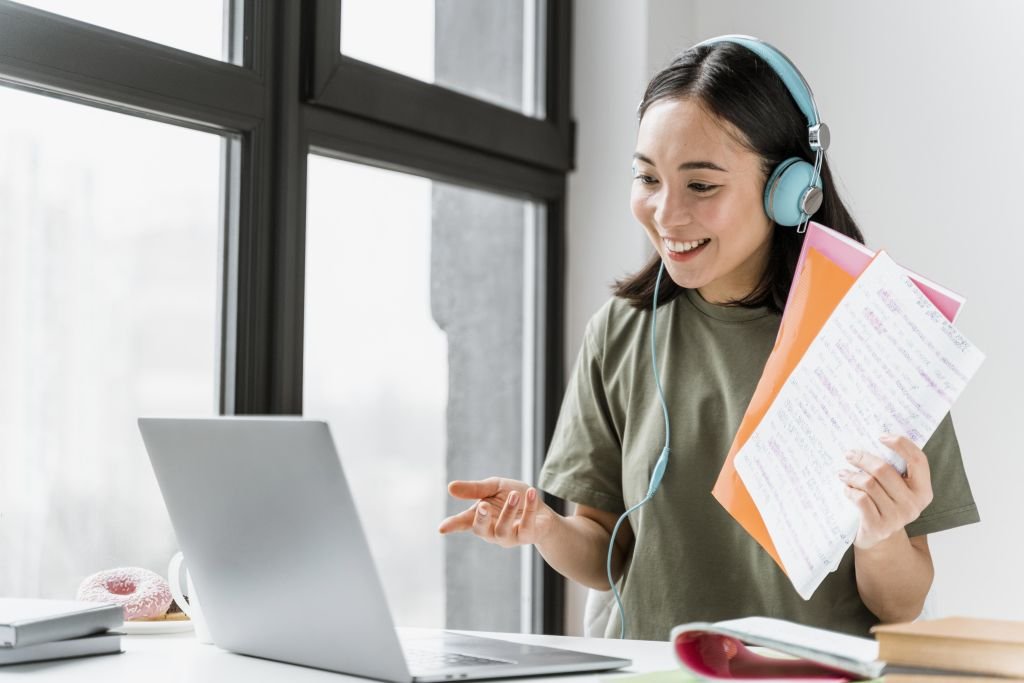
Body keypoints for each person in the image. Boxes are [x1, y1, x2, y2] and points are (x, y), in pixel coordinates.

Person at [437, 36, 978, 640]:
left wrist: (881, 536)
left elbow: (900, 606)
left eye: (701, 185)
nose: (666, 214)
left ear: (790, 188)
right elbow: (608, 555)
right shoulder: (620, 332)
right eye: (647, 178)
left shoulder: (877, 337)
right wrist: (543, 527)